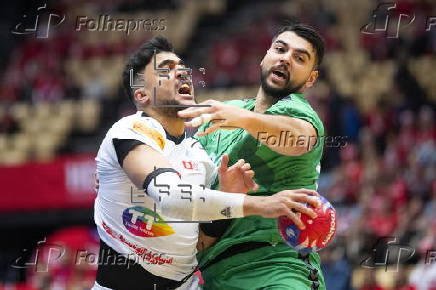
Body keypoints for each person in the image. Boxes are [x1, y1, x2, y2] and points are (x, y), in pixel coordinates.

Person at [93, 36, 321, 290]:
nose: (180, 72)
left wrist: (226, 197)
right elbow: (172, 198)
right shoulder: (128, 130)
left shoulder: (199, 156)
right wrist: (262, 204)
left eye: (181, 67)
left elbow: (200, 242)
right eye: (165, 70)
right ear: (142, 94)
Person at [178, 23, 328, 289]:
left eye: (299, 58)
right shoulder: (225, 116)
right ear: (265, 56)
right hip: (216, 275)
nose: (286, 58)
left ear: (311, 79)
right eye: (280, 49)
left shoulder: (297, 110)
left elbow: (298, 139)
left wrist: (241, 119)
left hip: (278, 267)